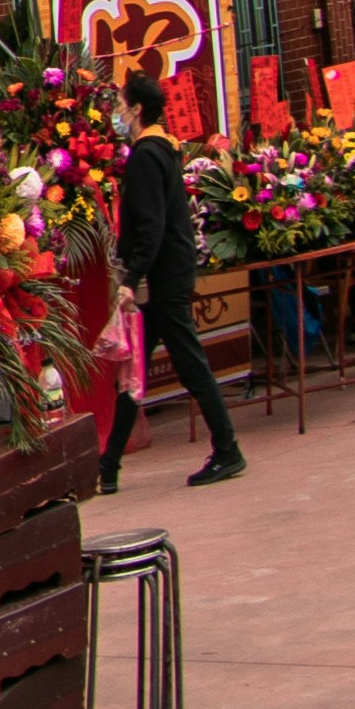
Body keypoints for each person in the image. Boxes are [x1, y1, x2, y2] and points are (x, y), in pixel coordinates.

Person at [114, 78, 246, 492]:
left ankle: (227, 450)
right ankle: (107, 464)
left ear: (136, 110)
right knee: (135, 368)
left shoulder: (147, 156)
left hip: (164, 275)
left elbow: (150, 226)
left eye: (120, 104)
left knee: (189, 364)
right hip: (169, 270)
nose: (116, 112)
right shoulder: (161, 148)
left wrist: (130, 278)